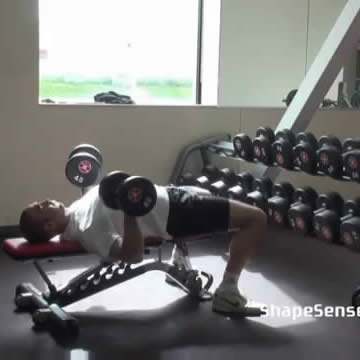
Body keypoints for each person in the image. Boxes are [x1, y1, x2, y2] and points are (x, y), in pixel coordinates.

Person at [19, 181, 267, 314]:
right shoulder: (87, 228)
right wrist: (131, 213)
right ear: (50, 225)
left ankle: (179, 258)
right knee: (255, 218)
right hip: (177, 215)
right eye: (41, 208)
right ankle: (228, 291)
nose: (44, 201)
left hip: (170, 196)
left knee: (206, 191)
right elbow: (132, 255)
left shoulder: (75, 211)